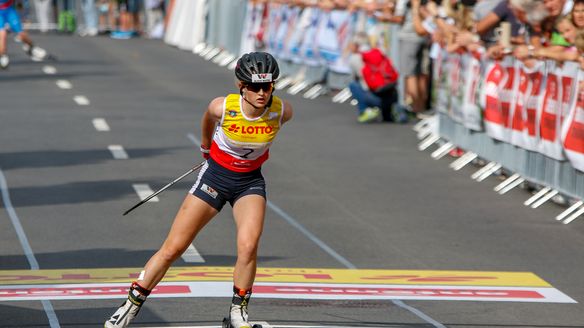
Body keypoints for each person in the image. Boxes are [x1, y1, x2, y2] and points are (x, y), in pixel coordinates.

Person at [103, 52, 293, 328]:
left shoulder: (282, 111)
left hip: (249, 181)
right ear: (241, 86)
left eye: (267, 86)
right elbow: (207, 120)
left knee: (249, 246)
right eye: (254, 87)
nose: (262, 93)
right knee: (174, 247)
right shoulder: (222, 107)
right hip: (215, 177)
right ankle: (131, 304)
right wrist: (206, 147)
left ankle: (238, 312)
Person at [0, 0, 50, 69]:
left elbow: (20, 4)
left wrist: (20, 8)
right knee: (2, 35)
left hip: (9, 11)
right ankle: (3, 56)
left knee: (22, 35)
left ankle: (31, 47)